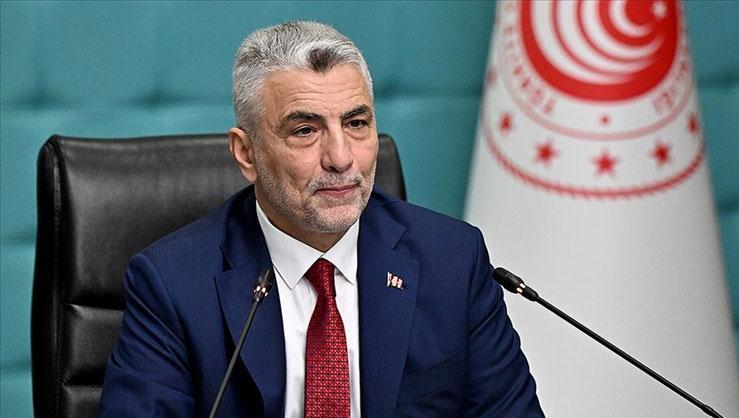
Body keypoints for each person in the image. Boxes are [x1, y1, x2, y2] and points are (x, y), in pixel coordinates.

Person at [99, 21, 543, 417]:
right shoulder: (172, 283)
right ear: (247, 153)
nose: (340, 158)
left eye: (356, 123)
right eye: (305, 130)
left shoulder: (451, 260)